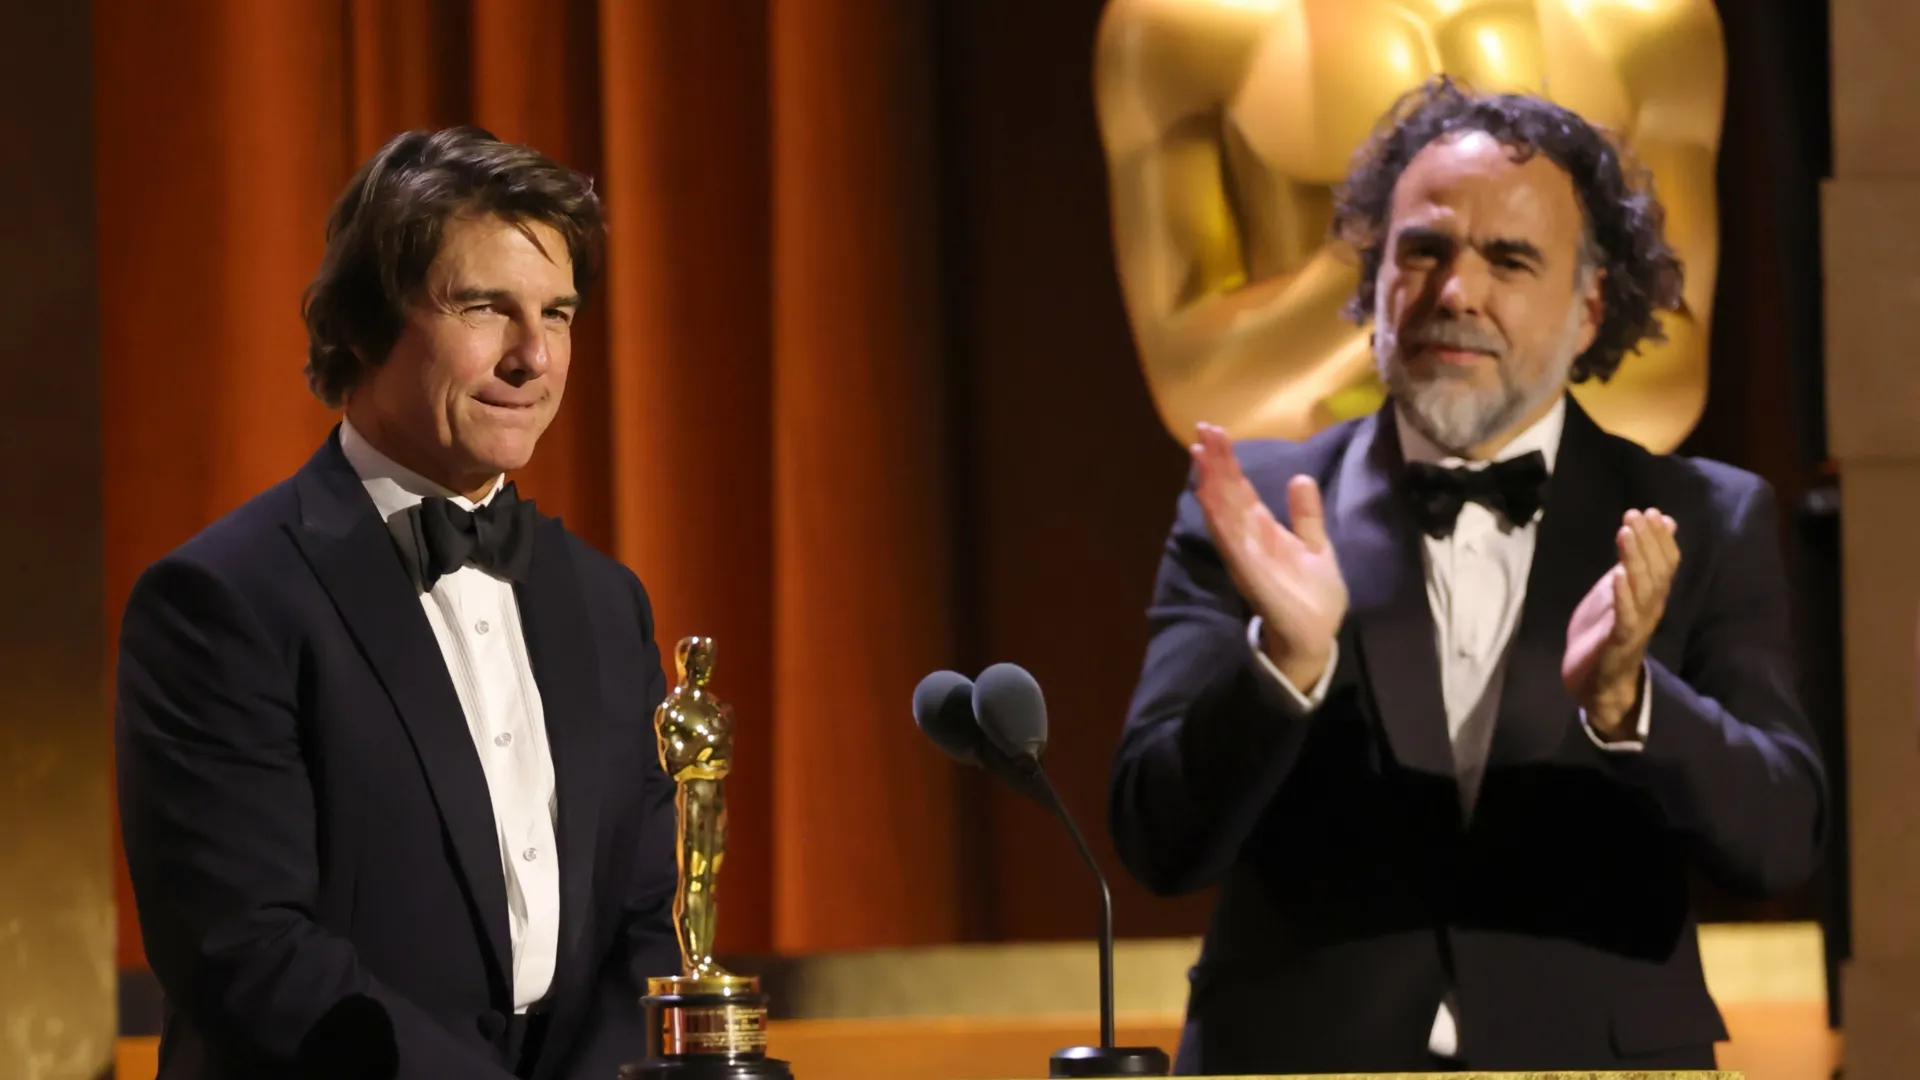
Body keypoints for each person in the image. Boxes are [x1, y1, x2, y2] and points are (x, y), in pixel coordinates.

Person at [1110, 77, 1828, 1074]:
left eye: (1510, 259)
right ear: (1377, 281)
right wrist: (1283, 668)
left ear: (1588, 309)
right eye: (1424, 250)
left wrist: (1634, 705)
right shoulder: (1259, 509)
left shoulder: (1708, 517)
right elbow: (1157, 841)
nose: (1457, 292)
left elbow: (1782, 838)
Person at [115, 126, 681, 1080]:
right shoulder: (220, 602)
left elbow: (640, 928)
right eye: (485, 308)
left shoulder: (607, 603)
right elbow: (248, 953)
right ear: (365, 324)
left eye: (560, 313)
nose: (534, 356)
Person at [1091, 0, 1724, 454]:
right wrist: (1411, 245)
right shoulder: (1186, 22)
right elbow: (1195, 385)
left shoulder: (1645, 20)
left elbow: (1669, 381)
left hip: (1567, 531)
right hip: (1315, 528)